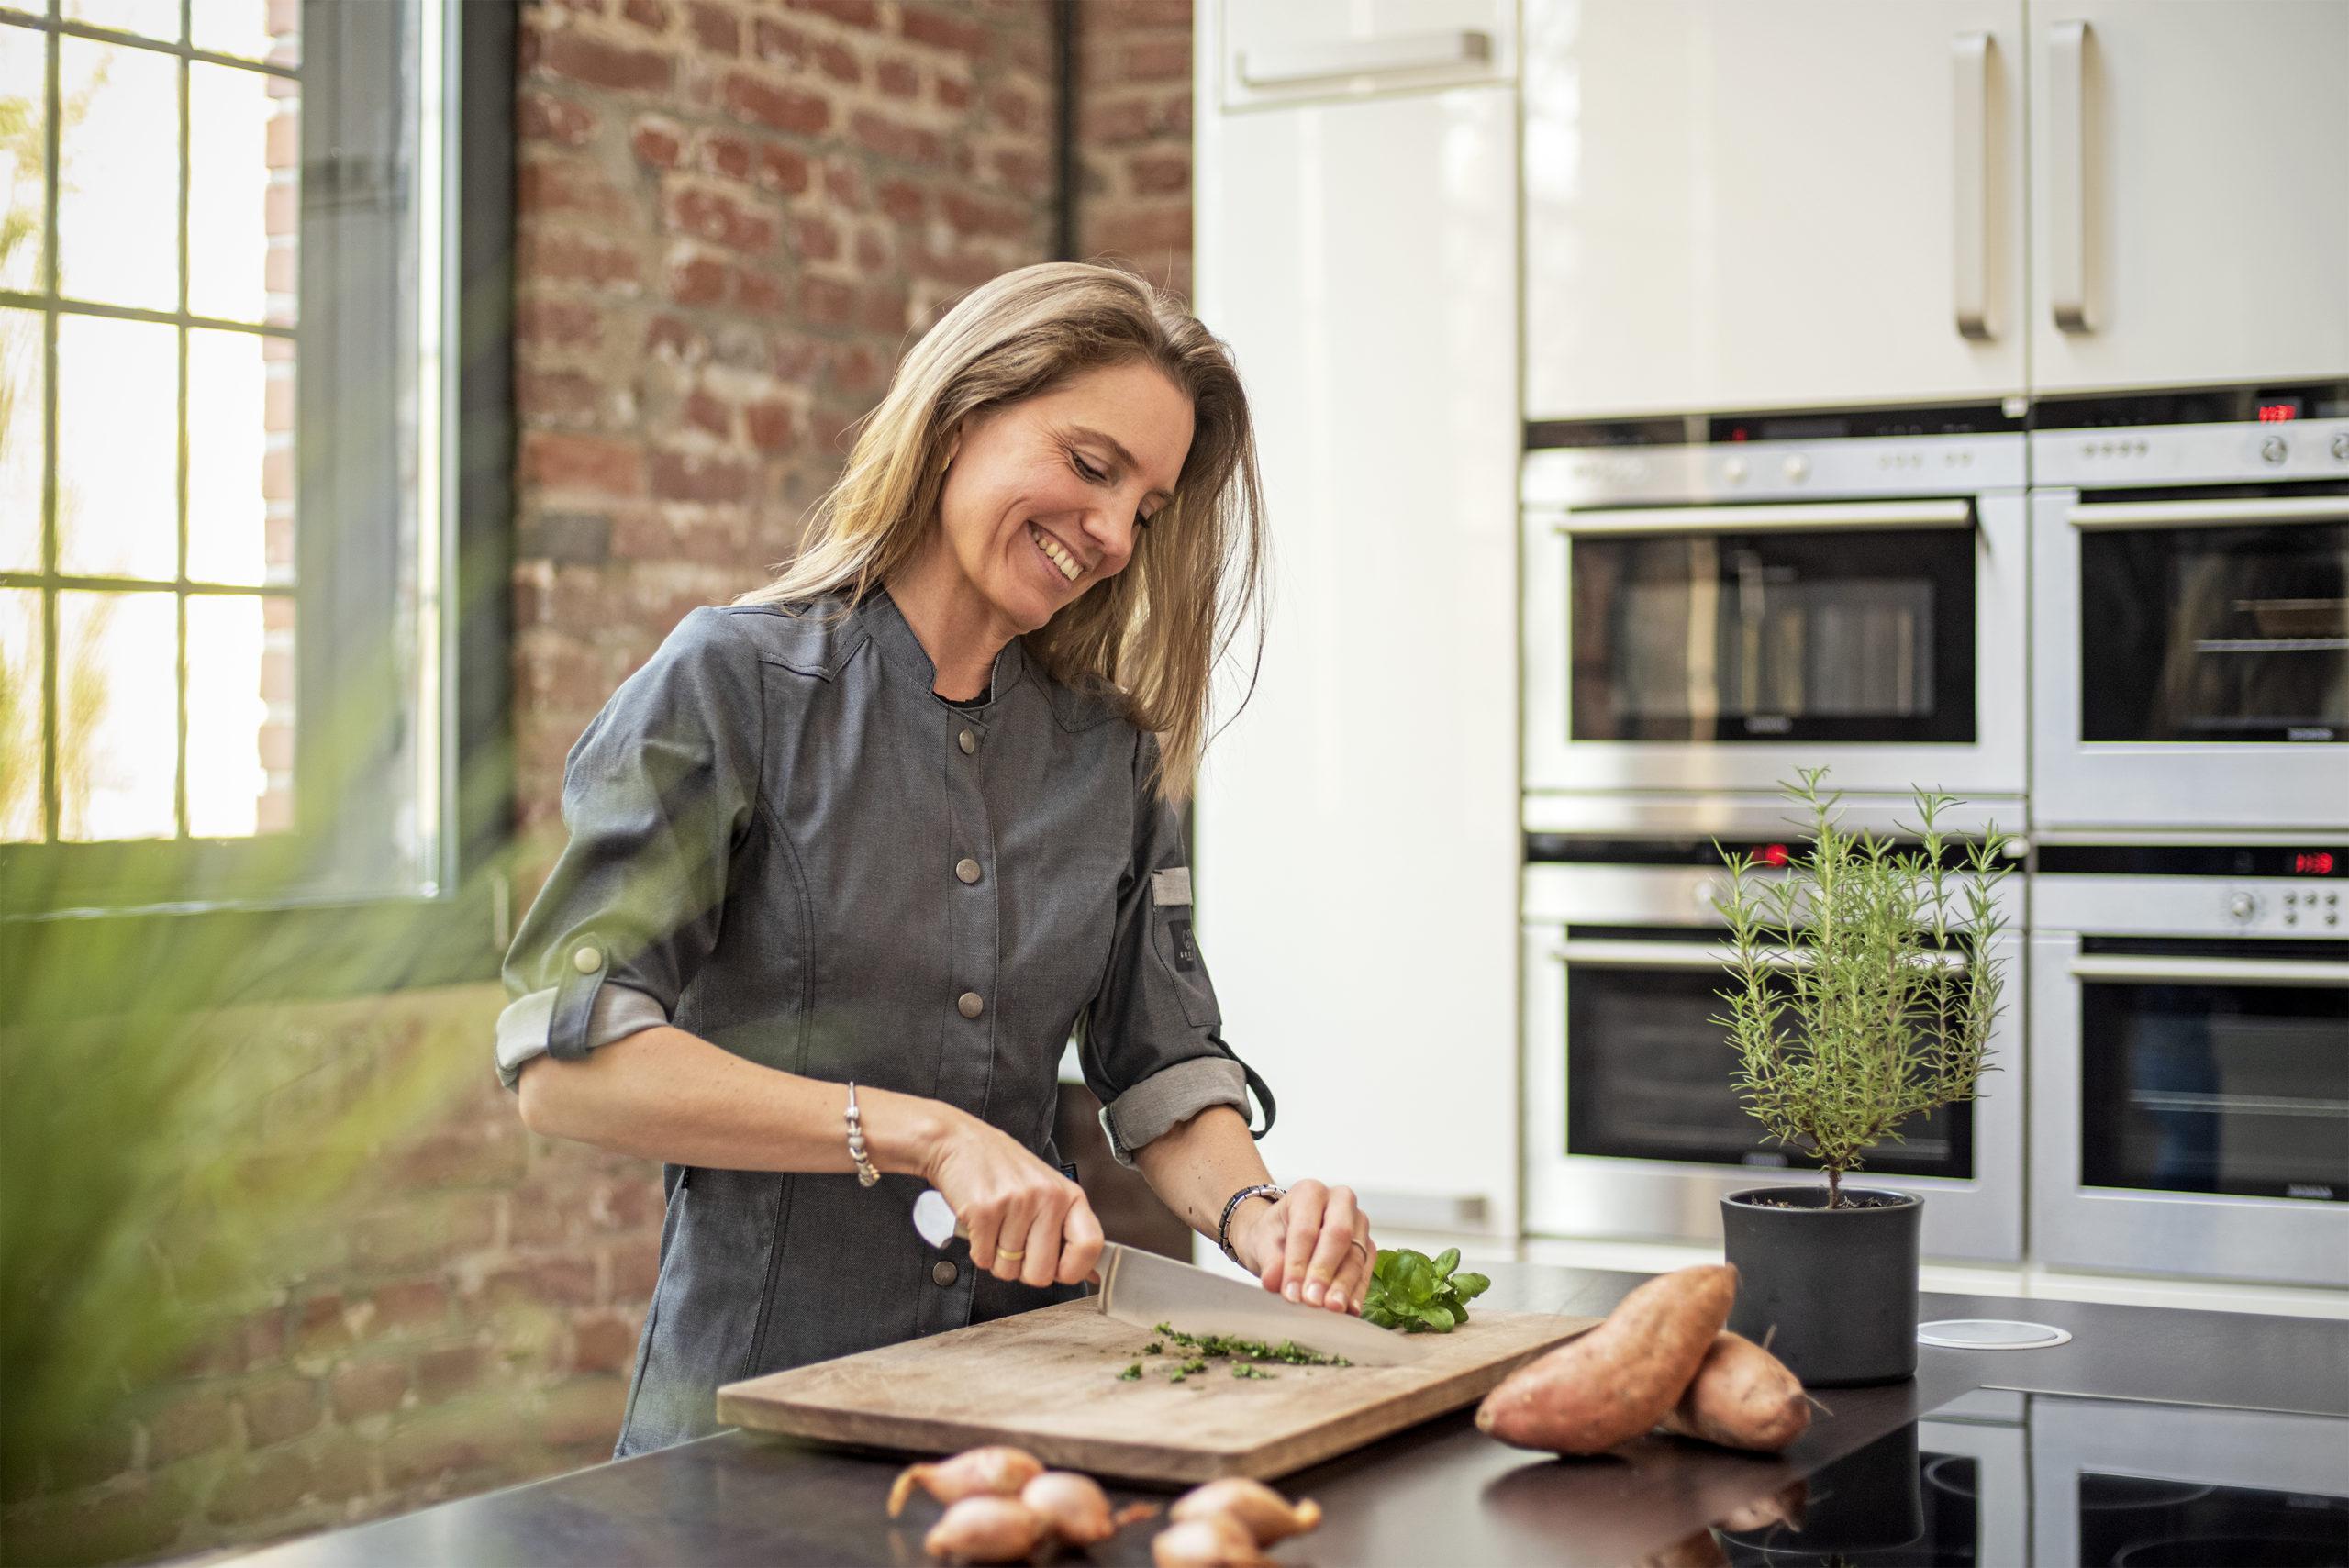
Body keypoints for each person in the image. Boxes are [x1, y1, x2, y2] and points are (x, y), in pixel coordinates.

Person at [495, 261, 1378, 1456]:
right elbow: (567, 1062)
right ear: (962, 417)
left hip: (1028, 1411)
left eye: (1147, 508)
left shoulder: (1109, 755)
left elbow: (1162, 1062)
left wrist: (1258, 1213)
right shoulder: (733, 686)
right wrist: (925, 1132)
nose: (1115, 534)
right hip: (752, 1426)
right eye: (1089, 465)